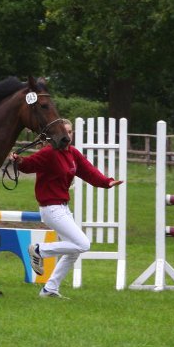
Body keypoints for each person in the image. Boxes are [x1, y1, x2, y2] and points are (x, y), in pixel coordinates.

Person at [9, 120, 123, 298]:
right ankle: (39, 250)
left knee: (74, 250)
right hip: (51, 209)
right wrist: (19, 160)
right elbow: (29, 165)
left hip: (62, 208)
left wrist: (106, 182)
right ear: (56, 134)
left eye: (70, 132)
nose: (67, 135)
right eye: (65, 132)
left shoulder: (72, 153)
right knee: (83, 244)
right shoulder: (49, 152)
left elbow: (89, 171)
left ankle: (50, 289)